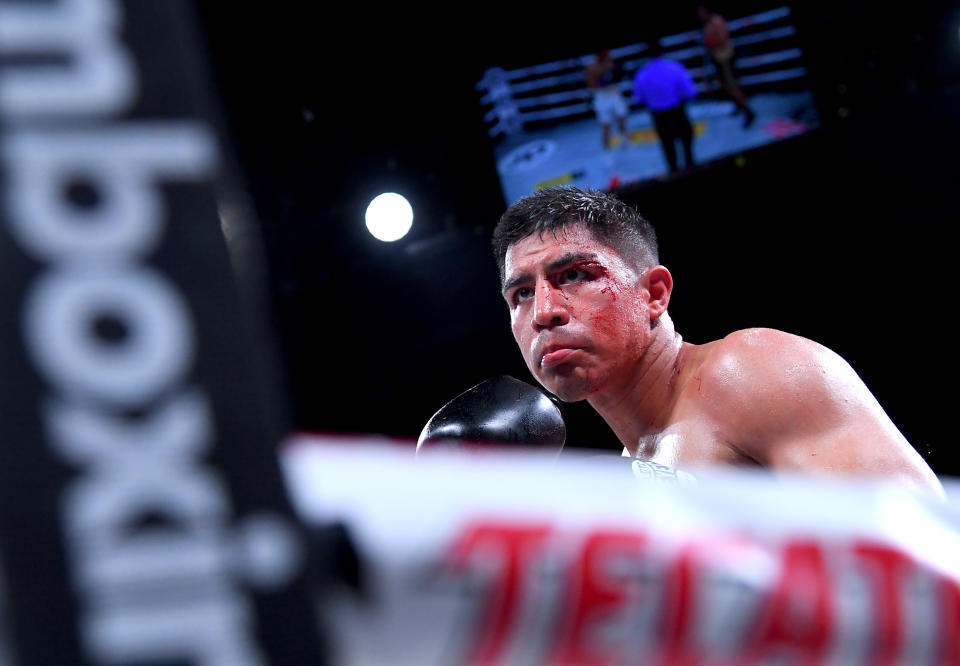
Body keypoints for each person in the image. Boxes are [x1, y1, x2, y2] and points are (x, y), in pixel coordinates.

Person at [492, 186, 943, 495]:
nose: (544, 311)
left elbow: (917, 547)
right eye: (521, 294)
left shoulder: (750, 370)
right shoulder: (634, 468)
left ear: (653, 294)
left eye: (573, 275)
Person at [632, 40, 697, 173]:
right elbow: (690, 91)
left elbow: (638, 99)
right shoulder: (675, 67)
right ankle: (690, 162)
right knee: (686, 136)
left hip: (658, 113)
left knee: (667, 142)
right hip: (677, 108)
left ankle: (673, 168)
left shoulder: (642, 74)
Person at [697, 4, 757, 127]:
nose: (700, 15)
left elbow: (723, 38)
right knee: (725, 85)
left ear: (707, 11)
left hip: (725, 57)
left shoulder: (716, 21)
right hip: (717, 58)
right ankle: (739, 106)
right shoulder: (707, 24)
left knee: (732, 85)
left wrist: (710, 41)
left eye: (701, 12)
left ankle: (749, 111)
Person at [584, 49, 630, 149]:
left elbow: (618, 74)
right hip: (601, 95)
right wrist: (601, 81)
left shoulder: (611, 61)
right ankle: (605, 146)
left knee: (621, 115)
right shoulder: (591, 67)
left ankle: (624, 138)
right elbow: (591, 84)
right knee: (606, 123)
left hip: (613, 91)